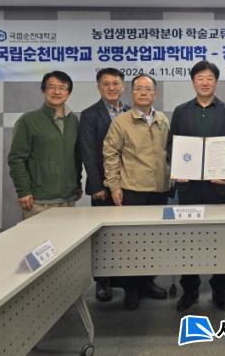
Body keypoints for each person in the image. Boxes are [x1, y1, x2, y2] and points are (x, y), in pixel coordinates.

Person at [168, 61, 225, 312]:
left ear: (216, 82)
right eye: (200, 78)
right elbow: (172, 144)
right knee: (189, 240)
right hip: (189, 188)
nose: (205, 82)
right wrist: (178, 169)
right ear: (193, 82)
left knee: (220, 238)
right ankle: (189, 290)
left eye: (209, 78)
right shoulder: (181, 111)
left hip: (218, 187)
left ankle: (220, 290)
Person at [103, 73, 170, 310]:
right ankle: (131, 289)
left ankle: (147, 283)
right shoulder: (121, 122)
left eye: (148, 89)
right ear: (132, 93)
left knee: (153, 241)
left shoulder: (162, 119)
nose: (143, 93)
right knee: (131, 243)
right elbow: (110, 154)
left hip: (159, 189)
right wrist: (114, 185)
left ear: (155, 94)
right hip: (132, 190)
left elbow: (169, 152)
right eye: (139, 88)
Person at [78, 67, 129, 302]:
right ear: (98, 87)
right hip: (102, 186)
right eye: (106, 84)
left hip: (129, 184)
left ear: (123, 87)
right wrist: (98, 185)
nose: (111, 88)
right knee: (103, 236)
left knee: (126, 236)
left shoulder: (131, 112)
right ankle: (103, 282)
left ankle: (129, 282)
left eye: (115, 83)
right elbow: (88, 152)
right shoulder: (90, 114)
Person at [8, 71, 82, 220]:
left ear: (68, 93)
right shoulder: (28, 120)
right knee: (39, 236)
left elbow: (76, 156)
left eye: (62, 88)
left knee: (67, 235)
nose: (56, 92)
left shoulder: (73, 120)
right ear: (43, 90)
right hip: (39, 201)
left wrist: (77, 184)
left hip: (68, 199)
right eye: (51, 87)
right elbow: (16, 159)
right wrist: (23, 191)